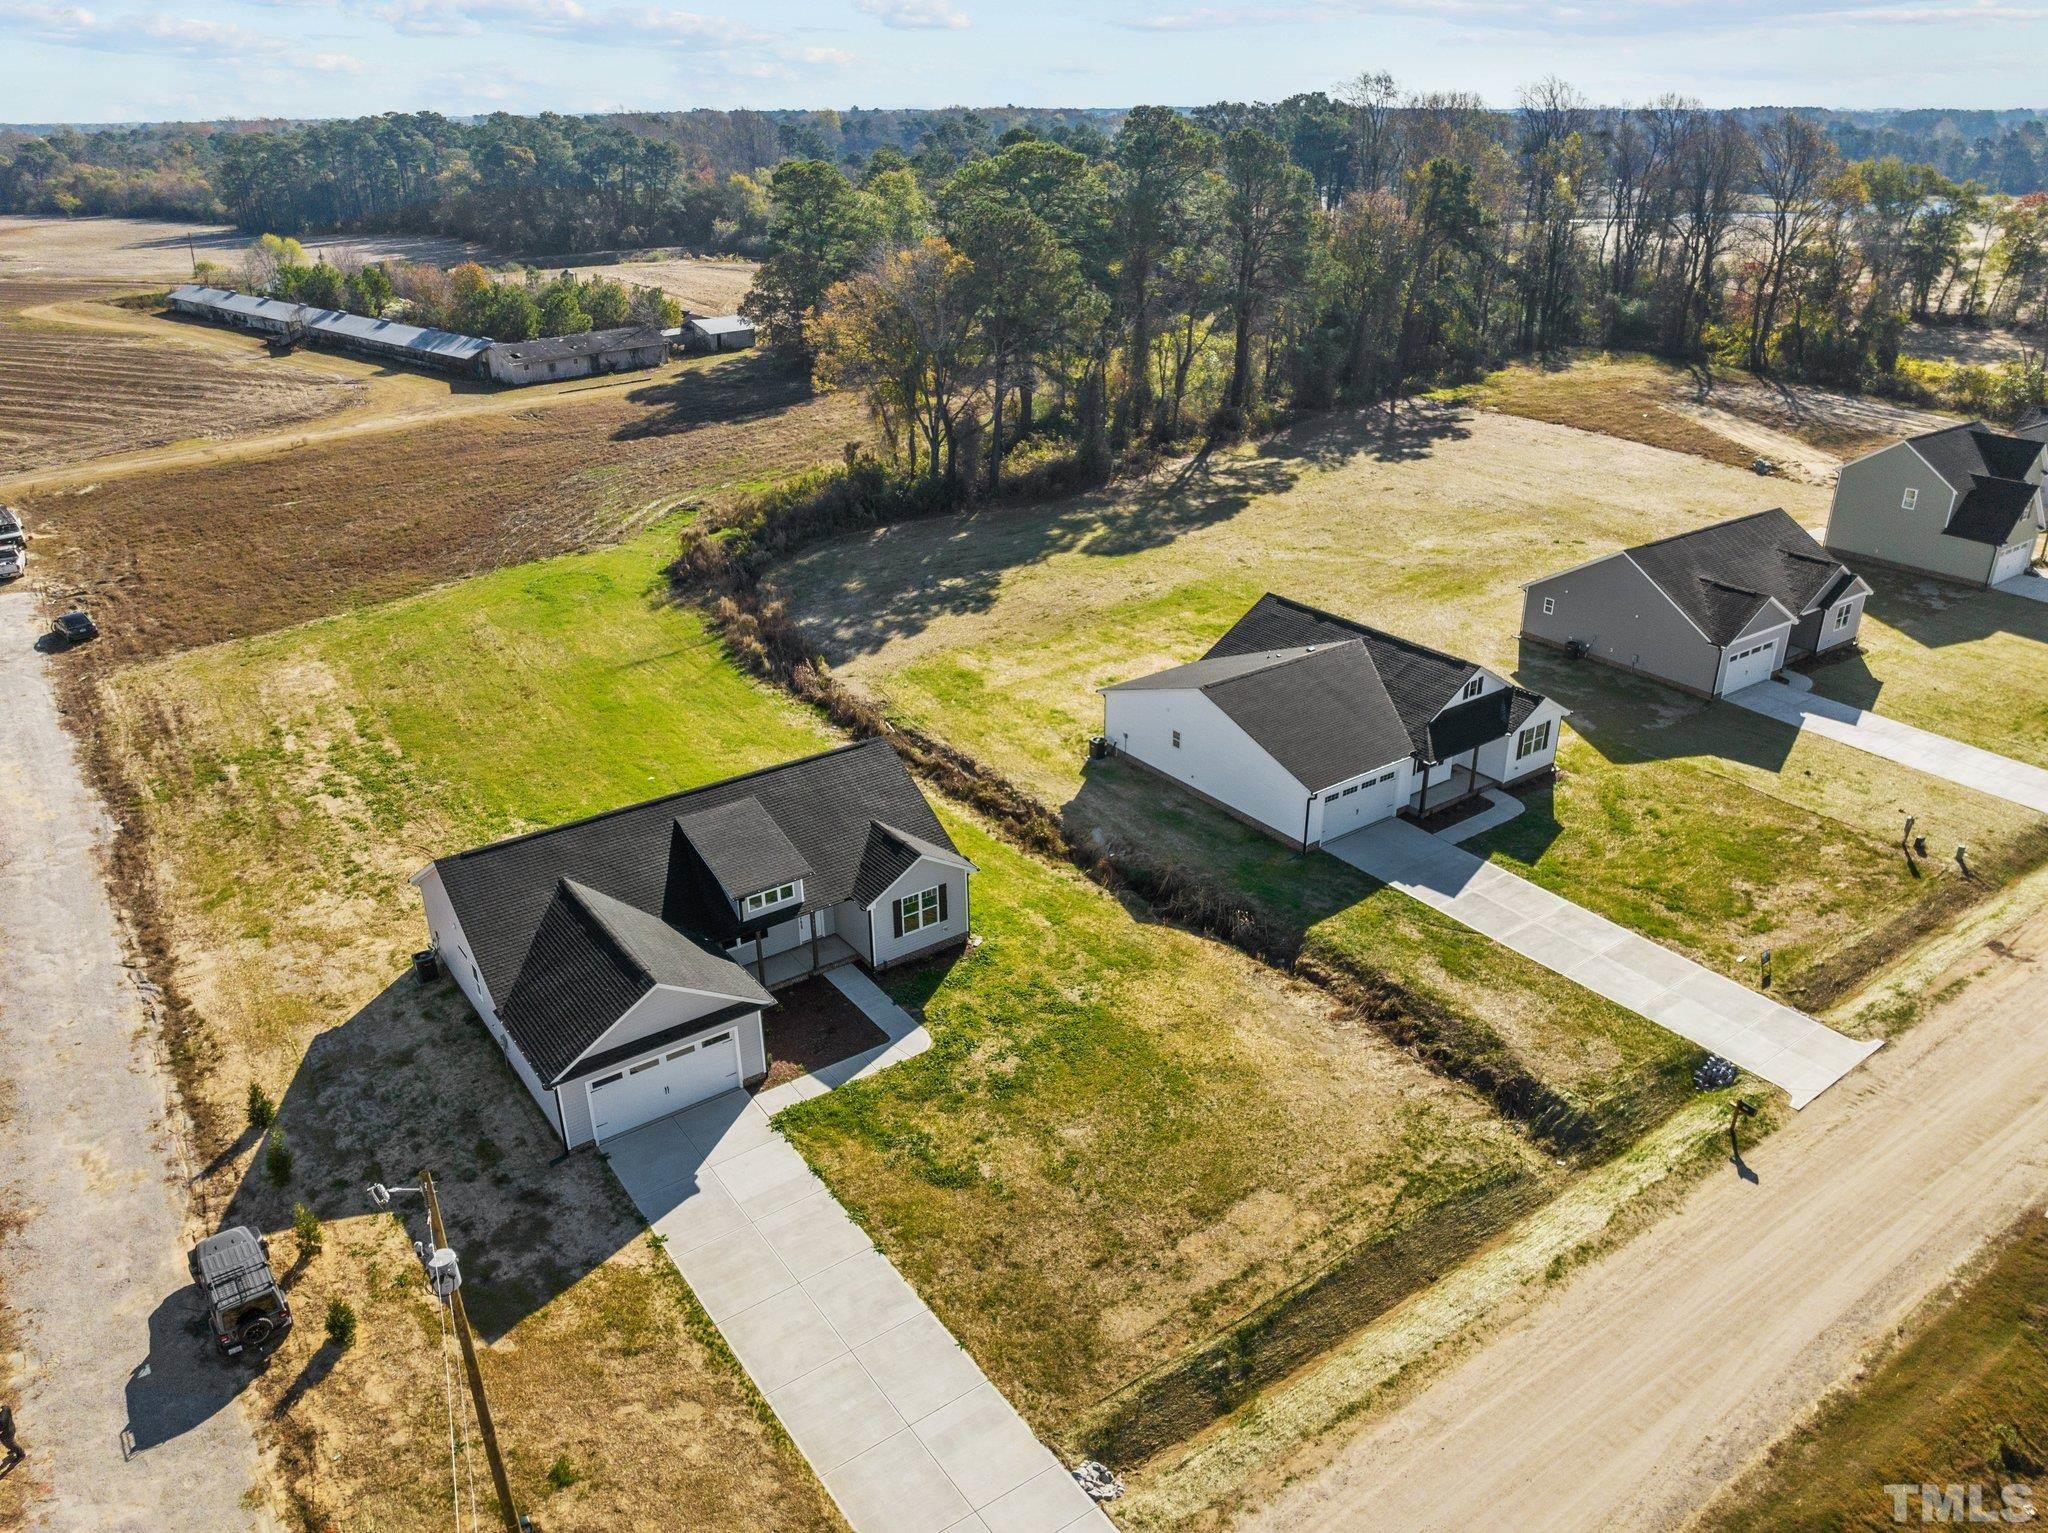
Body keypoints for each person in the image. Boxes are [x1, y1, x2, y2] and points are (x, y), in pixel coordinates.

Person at [0, 1402, 22, 1468]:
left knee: (11, 1444)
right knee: (9, 1444)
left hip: (7, 1434)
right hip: (10, 1428)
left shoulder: (1, 1421)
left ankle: (21, 1454)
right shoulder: (5, 1408)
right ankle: (13, 1449)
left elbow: (1, 1425)